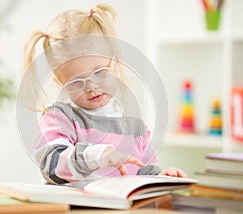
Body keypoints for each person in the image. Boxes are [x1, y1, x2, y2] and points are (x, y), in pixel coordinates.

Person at [22, 4, 186, 185]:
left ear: (115, 62)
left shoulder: (136, 130)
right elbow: (52, 164)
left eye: (99, 72)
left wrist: (163, 175)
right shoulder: (59, 118)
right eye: (76, 82)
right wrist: (96, 156)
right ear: (60, 83)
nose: (92, 87)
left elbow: (143, 172)